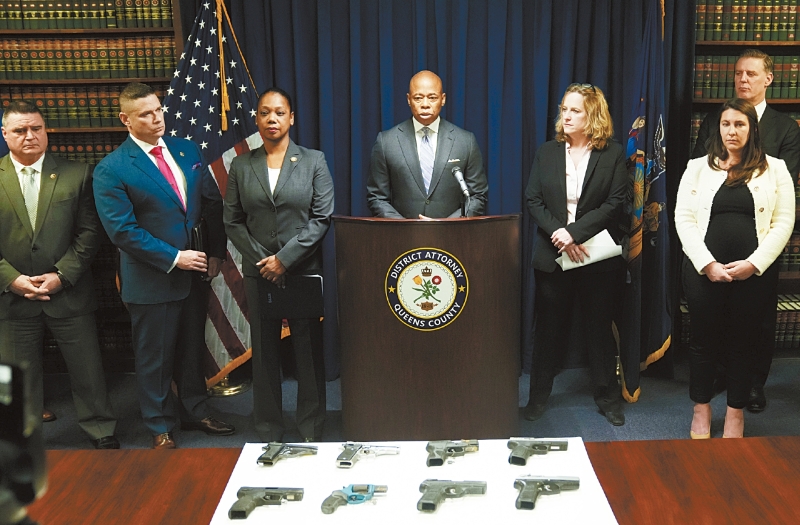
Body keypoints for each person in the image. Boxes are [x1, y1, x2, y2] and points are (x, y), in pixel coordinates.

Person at [93, 83, 234, 449]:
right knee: (154, 357)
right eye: (146, 114)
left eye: (158, 110)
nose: (157, 118)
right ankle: (160, 425)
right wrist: (175, 258)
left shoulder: (187, 150)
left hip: (196, 274)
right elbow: (122, 232)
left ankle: (194, 410)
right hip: (152, 280)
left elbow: (211, 204)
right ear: (125, 119)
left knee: (191, 350)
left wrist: (215, 253)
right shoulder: (112, 169)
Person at [0, 100, 118, 449]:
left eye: (36, 128)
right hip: (12, 296)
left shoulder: (77, 174)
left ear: (46, 131)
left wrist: (61, 275)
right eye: (20, 130)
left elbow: (90, 233)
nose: (29, 136)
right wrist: (11, 279)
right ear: (5, 134)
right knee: (18, 377)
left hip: (68, 292)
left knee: (87, 371)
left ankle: (100, 430)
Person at [677, 98, 794, 439]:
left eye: (739, 124)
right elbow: (683, 218)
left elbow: (783, 221)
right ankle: (701, 409)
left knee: (744, 343)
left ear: (752, 129)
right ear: (718, 128)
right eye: (726, 124)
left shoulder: (776, 169)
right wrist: (707, 263)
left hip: (753, 274)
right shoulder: (697, 167)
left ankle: (735, 413)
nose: (732, 131)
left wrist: (754, 264)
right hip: (703, 271)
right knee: (702, 341)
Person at [692, 49, 800, 413]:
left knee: (758, 318)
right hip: (715, 231)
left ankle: (753, 383)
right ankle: (722, 374)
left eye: (751, 74)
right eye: (739, 73)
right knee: (717, 312)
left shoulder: (786, 128)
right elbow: (700, 168)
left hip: (762, 236)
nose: (743, 79)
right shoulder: (715, 120)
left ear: (768, 79)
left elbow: (784, 181)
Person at [224, 88, 333, 442]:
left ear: (291, 118)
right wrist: (265, 262)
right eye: (265, 112)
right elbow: (232, 221)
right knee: (265, 352)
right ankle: (268, 427)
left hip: (302, 269)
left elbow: (321, 218)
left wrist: (284, 260)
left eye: (280, 112)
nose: (272, 119)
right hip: (259, 272)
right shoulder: (241, 165)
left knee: (307, 352)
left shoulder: (314, 161)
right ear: (256, 119)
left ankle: (311, 426)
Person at [523, 83, 628, 426]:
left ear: (592, 115)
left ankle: (608, 399)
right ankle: (537, 398)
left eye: (575, 110)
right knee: (548, 331)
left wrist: (576, 233)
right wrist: (562, 236)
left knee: (599, 330)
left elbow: (615, 203)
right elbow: (533, 199)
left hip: (596, 256)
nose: (566, 116)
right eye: (564, 109)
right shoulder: (547, 152)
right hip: (553, 255)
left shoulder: (612, 153)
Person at [367, 70, 488, 218]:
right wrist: (407, 227)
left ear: (443, 99)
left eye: (432, 98)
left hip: (452, 231)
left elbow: (477, 196)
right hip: (402, 231)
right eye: (418, 98)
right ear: (408, 99)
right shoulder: (386, 142)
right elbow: (377, 198)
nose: (425, 104)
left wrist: (444, 225)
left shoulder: (466, 141)